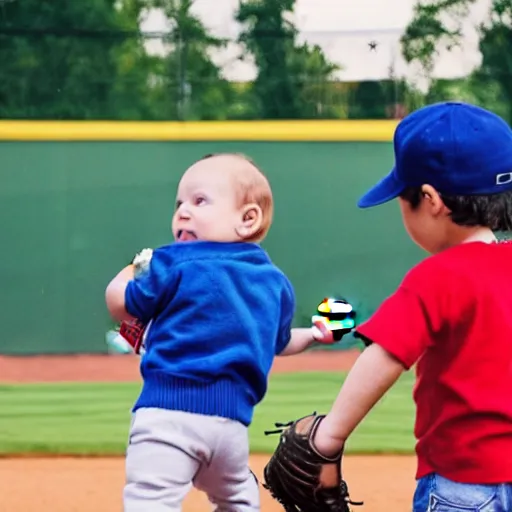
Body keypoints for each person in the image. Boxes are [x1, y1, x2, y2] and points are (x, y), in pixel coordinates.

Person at [310, 102, 512, 511]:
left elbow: (384, 355)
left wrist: (328, 438)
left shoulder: (438, 276)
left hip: (464, 484)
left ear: (430, 199)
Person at [105, 153, 334, 512]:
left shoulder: (172, 262)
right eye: (179, 203)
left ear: (248, 219)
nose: (182, 211)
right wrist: (315, 334)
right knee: (237, 499)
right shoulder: (273, 282)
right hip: (230, 428)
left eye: (199, 201)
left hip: (167, 417)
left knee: (151, 500)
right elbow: (282, 341)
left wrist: (129, 271)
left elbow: (123, 305)